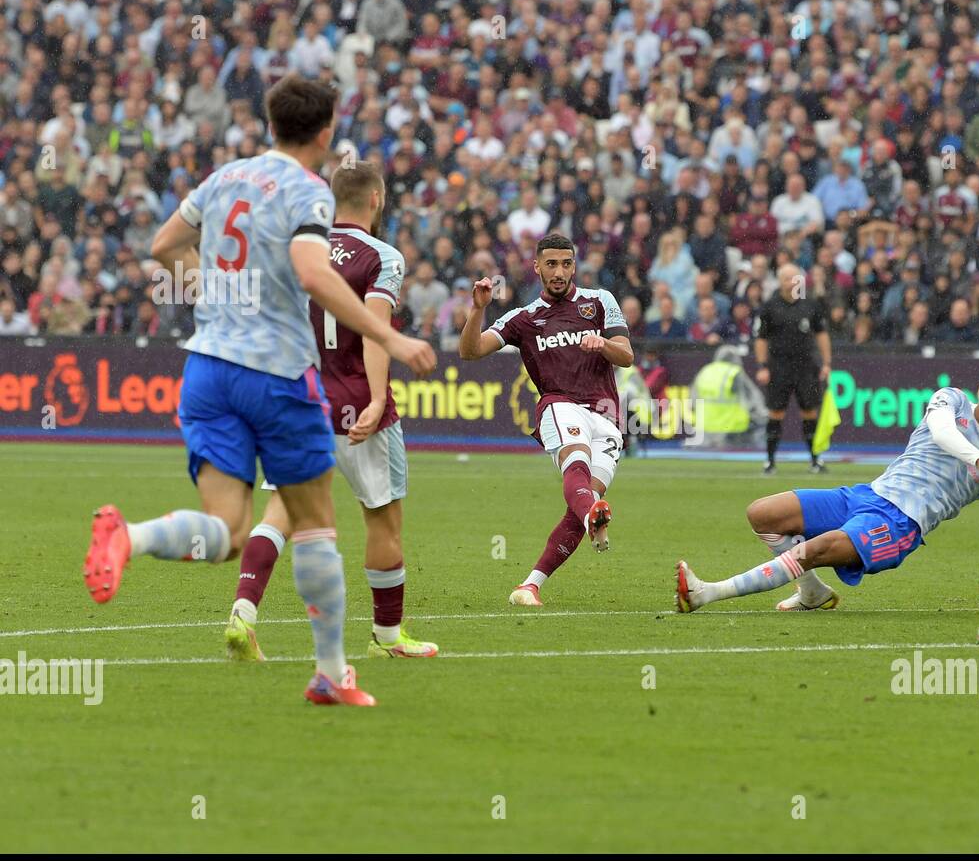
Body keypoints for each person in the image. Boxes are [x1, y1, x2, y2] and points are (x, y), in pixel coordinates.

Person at [81, 76, 435, 706]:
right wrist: (393, 338)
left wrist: (218, 293)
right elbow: (310, 271)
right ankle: (330, 674)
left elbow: (163, 246)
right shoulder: (307, 192)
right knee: (316, 522)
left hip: (209, 370)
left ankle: (127, 538)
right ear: (325, 133)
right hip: (276, 375)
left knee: (228, 531)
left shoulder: (224, 178)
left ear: (271, 124)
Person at [223, 159, 439, 662]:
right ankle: (388, 638)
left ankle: (243, 614)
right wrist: (379, 398)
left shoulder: (300, 253)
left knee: (282, 511)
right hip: (357, 404)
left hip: (300, 400)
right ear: (376, 199)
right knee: (382, 522)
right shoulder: (382, 256)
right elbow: (372, 329)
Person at [677, 368, 979, 613]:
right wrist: (978, 460)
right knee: (763, 514)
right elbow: (942, 431)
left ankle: (707, 593)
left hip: (901, 524)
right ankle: (812, 592)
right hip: (866, 495)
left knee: (817, 548)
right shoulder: (952, 401)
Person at [459, 233, 633, 607]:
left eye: (566, 263)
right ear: (536, 267)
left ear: (575, 265)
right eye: (551, 264)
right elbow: (470, 351)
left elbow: (627, 356)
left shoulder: (601, 302)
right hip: (559, 405)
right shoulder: (523, 319)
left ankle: (529, 586)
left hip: (606, 416)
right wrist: (477, 310)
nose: (559, 272)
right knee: (577, 466)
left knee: (582, 503)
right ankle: (593, 516)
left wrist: (602, 343)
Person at [755, 263, 831, 474]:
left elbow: (821, 335)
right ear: (780, 282)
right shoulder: (771, 306)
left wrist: (826, 363)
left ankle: (816, 460)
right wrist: (762, 366)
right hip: (779, 366)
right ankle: (770, 461)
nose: (793, 282)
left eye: (796, 278)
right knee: (776, 412)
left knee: (809, 411)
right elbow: (761, 338)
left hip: (806, 366)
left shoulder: (810, 305)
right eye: (788, 278)